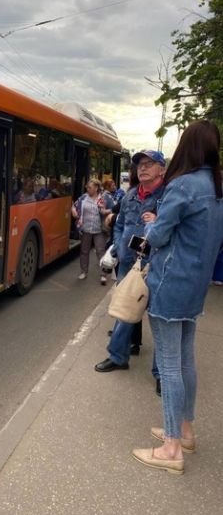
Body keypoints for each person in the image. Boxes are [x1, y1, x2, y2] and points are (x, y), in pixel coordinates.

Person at [132, 120, 223, 475]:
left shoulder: (182, 185)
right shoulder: (216, 187)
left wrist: (153, 223)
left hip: (170, 281)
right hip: (196, 285)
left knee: (169, 365)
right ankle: (184, 430)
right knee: (185, 361)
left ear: (186, 146)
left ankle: (170, 449)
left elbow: (156, 237)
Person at [95, 150, 165, 373]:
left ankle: (161, 374)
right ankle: (118, 357)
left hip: (156, 266)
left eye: (149, 163)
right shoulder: (131, 195)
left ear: (162, 169)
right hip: (128, 263)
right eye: (139, 164)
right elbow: (118, 223)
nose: (142, 168)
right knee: (124, 312)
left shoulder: (168, 196)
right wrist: (118, 245)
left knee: (160, 320)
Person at [72, 178, 110, 284]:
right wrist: (74, 211)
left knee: (100, 251)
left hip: (98, 229)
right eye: (87, 187)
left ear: (96, 188)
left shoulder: (102, 199)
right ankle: (84, 271)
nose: (87, 189)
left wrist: (108, 211)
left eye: (90, 187)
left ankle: (103, 275)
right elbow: (74, 205)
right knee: (84, 251)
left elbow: (107, 210)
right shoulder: (84, 197)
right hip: (85, 229)